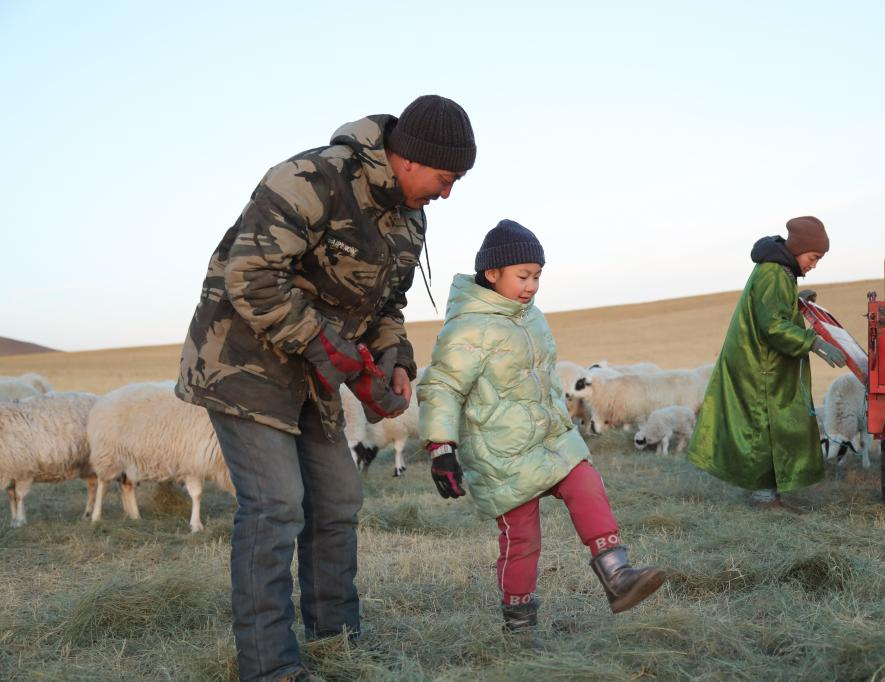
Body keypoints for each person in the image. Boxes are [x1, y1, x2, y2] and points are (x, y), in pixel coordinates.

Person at [175, 94, 476, 681]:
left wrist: (394, 361)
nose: (448, 193)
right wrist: (327, 346)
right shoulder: (310, 178)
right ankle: (270, 667)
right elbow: (251, 276)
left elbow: (389, 304)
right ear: (410, 158)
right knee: (277, 504)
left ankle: (337, 642)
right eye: (446, 177)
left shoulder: (410, 218)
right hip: (243, 362)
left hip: (315, 375)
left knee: (338, 499)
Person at [417, 220, 667, 632]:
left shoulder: (532, 318)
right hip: (502, 454)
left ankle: (618, 575)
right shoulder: (466, 328)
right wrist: (441, 447)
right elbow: (441, 386)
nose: (532, 285)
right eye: (523, 276)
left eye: (537, 276)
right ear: (492, 273)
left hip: (552, 439)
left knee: (586, 482)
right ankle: (519, 625)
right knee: (522, 541)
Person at [687, 216, 846, 510]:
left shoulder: (779, 271)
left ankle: (768, 493)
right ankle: (764, 497)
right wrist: (813, 342)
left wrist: (795, 300)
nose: (814, 265)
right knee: (765, 427)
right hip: (760, 367)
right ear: (798, 249)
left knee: (770, 427)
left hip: (763, 364)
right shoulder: (773, 273)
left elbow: (772, 309)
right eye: (813, 257)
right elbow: (772, 325)